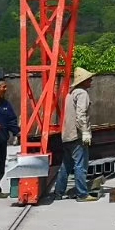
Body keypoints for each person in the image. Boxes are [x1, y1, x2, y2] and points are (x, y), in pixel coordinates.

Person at [49, 67, 96, 202]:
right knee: (81, 165)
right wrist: (85, 132)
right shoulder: (82, 94)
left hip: (67, 136)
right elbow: (81, 115)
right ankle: (82, 194)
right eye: (89, 79)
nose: (91, 81)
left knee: (66, 165)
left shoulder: (71, 94)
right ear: (83, 81)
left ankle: (58, 193)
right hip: (77, 136)